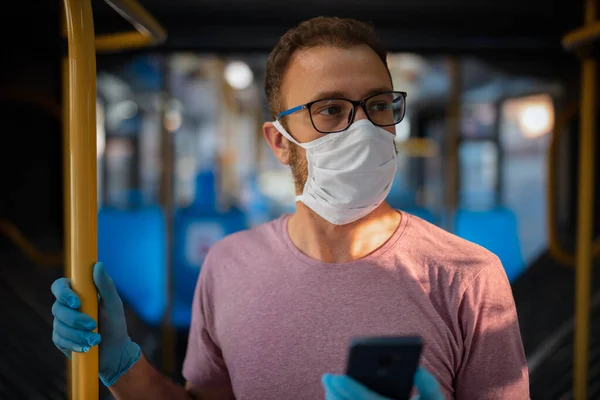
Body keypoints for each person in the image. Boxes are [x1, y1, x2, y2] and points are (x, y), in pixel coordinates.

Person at [51, 16, 529, 399]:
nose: (362, 130)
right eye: (329, 110)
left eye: (379, 105)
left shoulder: (468, 275)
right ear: (279, 143)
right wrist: (121, 368)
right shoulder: (229, 265)